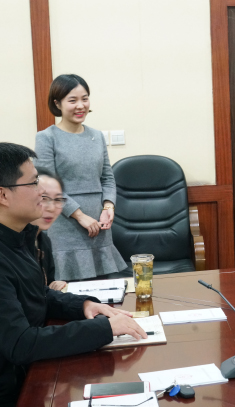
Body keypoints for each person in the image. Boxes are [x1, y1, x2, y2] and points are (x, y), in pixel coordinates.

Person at [0, 142, 147, 407]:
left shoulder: (21, 238)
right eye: (33, 183)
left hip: (29, 375)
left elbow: (38, 295)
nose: (42, 191)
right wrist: (104, 329)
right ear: (3, 195)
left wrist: (84, 305)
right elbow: (20, 343)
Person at [35, 74, 128, 280]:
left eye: (84, 99)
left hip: (99, 225)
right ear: (57, 103)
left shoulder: (97, 136)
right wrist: (79, 215)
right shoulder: (46, 137)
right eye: (72, 100)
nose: (80, 106)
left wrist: (108, 207)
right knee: (68, 291)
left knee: (104, 289)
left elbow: (107, 177)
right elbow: (46, 186)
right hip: (65, 224)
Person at [29, 169, 67, 290]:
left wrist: (53, 288)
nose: (51, 208)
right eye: (43, 198)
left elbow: (48, 284)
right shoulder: (10, 244)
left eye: (58, 200)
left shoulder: (44, 240)